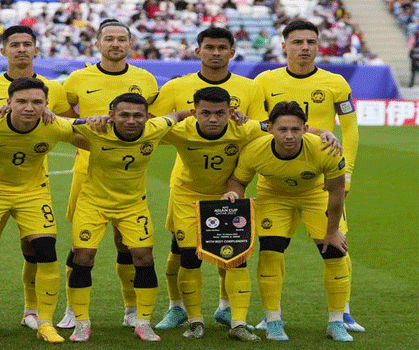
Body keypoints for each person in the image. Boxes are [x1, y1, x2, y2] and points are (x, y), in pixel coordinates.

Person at [150, 26, 267, 333]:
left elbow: (265, 131)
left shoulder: (250, 88)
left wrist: (237, 182)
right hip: (187, 187)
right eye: (209, 47)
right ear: (197, 50)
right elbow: (150, 126)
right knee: (182, 251)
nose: (215, 53)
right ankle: (180, 309)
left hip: (231, 184)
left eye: (221, 47)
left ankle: (230, 312)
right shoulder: (177, 87)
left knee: (232, 253)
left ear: (232, 51)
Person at [0, 77, 83, 343]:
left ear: (47, 105)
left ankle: (44, 321)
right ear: (8, 102)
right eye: (21, 101)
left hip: (32, 192)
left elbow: (89, 130)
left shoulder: (54, 126)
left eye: (37, 102)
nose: (29, 107)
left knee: (45, 250)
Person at [254, 19, 363, 333]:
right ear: (284, 45)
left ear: (318, 45)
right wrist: (309, 130)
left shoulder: (335, 83)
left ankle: (343, 312)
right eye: (298, 42)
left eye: (310, 42)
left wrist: (349, 172)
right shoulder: (264, 81)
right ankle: (271, 316)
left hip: (321, 181)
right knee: (272, 248)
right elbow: (256, 124)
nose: (304, 48)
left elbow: (351, 130)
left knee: (336, 243)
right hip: (276, 179)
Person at [0, 25, 75, 331]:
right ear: (4, 50)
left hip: (32, 185)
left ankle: (32, 310)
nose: (22, 49)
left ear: (36, 49)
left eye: (28, 44)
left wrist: (56, 116)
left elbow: (66, 125)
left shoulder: (54, 87)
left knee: (35, 249)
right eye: (15, 44)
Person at [222, 101, 353, 342]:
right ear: (270, 128)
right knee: (270, 252)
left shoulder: (326, 149)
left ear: (305, 128)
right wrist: (233, 194)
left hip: (315, 195)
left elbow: (336, 191)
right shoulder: (254, 150)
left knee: (334, 251)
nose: (289, 136)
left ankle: (336, 321)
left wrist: (332, 231)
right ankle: (273, 320)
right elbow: (238, 181)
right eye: (282, 130)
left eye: (295, 129)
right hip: (274, 196)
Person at [58, 19, 159, 330]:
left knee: (127, 243)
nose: (116, 44)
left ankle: (131, 308)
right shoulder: (77, 78)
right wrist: (89, 131)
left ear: (129, 44)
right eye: (109, 39)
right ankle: (73, 310)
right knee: (80, 245)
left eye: (121, 39)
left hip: (126, 174)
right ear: (97, 44)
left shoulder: (145, 79)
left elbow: (150, 119)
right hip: (86, 170)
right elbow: (63, 119)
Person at [67, 93, 187, 342]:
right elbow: (57, 124)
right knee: (83, 256)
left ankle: (143, 322)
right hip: (93, 204)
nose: (131, 120)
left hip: (133, 205)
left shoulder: (155, 128)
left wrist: (222, 114)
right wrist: (85, 119)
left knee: (143, 257)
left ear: (147, 117)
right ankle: (81, 322)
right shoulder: (96, 129)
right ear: (111, 116)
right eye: (124, 115)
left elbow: (177, 115)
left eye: (137, 115)